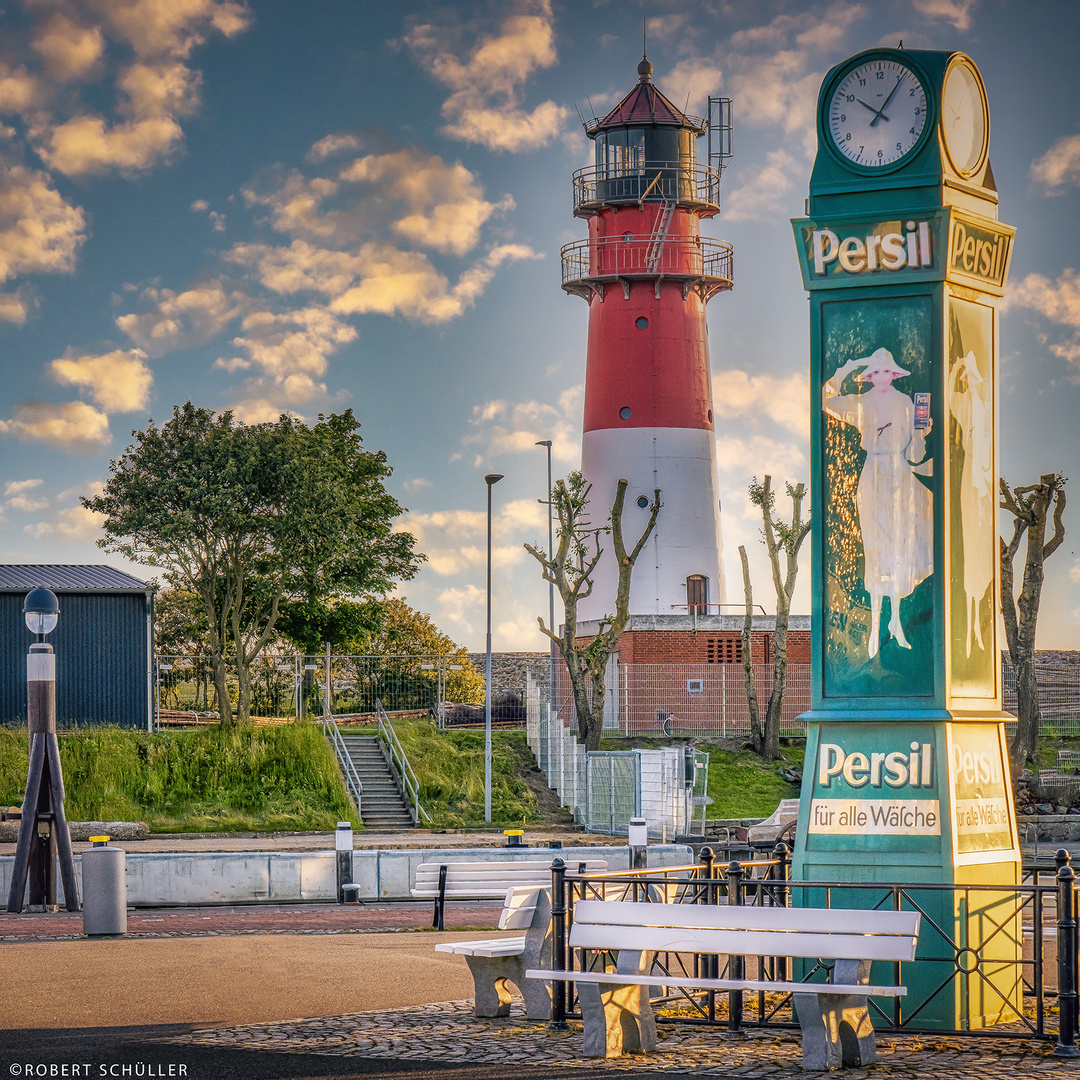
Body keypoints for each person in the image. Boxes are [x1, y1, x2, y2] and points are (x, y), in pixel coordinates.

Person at [823, 347, 933, 659]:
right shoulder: (862, 403)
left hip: (897, 472)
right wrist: (844, 369)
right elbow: (828, 401)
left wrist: (922, 431)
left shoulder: (904, 402)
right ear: (870, 376)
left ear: (893, 375)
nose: (882, 377)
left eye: (887, 371)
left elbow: (917, 439)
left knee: (897, 545)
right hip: (872, 472)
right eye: (876, 372)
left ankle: (895, 621)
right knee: (874, 547)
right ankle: (875, 626)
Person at [949, 350, 993, 656]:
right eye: (969, 378)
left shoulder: (986, 406)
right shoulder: (964, 404)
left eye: (973, 378)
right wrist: (955, 368)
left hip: (983, 479)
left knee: (981, 543)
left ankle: (977, 623)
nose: (971, 382)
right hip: (971, 478)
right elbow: (949, 396)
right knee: (968, 539)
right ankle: (969, 623)